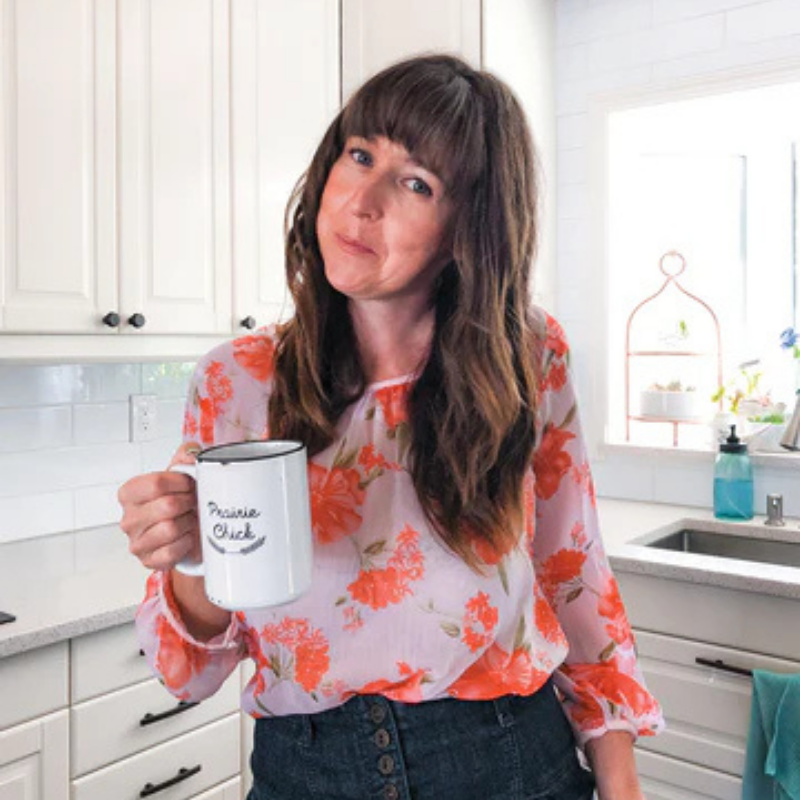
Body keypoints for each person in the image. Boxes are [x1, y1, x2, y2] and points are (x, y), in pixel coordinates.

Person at [119, 54, 663, 800]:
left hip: (506, 762)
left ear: (465, 229)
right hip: (304, 770)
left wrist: (622, 785)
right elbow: (189, 671)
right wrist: (188, 560)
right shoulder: (237, 381)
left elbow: (576, 575)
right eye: (360, 154)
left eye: (416, 183)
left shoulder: (527, 357)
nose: (362, 201)